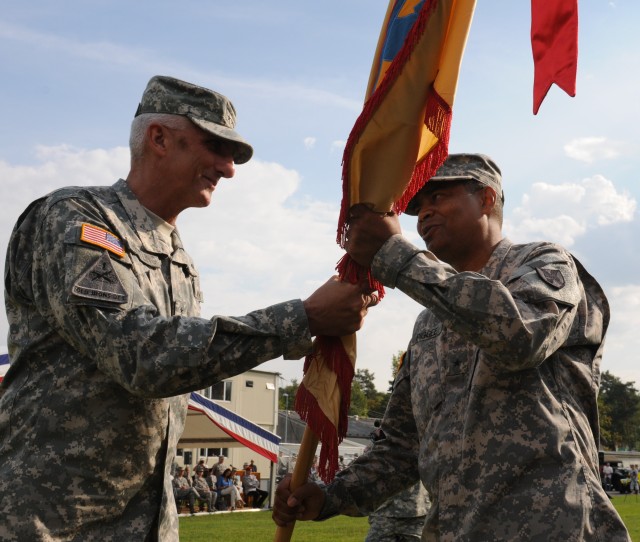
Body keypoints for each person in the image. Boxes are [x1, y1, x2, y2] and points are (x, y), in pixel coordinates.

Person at [0, 75, 377, 542]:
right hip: (54, 525)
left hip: (148, 526)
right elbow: (140, 355)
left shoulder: (178, 258)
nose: (229, 168)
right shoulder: (75, 218)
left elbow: (181, 362)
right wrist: (301, 318)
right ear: (158, 138)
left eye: (233, 155)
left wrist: (312, 325)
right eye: (215, 147)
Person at [272, 153, 631, 540]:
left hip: (554, 528)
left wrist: (396, 256)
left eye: (439, 197)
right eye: (418, 207)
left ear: (488, 199)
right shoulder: (430, 320)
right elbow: (403, 448)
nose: (424, 213)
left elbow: (520, 335)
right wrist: (331, 496)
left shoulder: (544, 262)